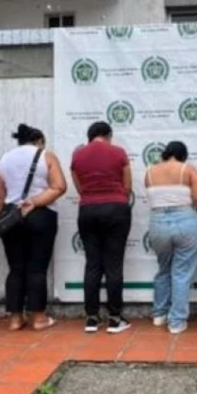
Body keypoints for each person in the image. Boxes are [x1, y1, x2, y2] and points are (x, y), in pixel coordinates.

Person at [0, 124, 66, 332]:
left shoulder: (3, 159)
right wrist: (34, 202)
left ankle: (15, 319)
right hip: (40, 215)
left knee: (16, 268)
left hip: (12, 217)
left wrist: (1, 219)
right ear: (39, 140)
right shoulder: (46, 156)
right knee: (37, 268)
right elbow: (59, 186)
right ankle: (39, 318)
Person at [70, 122, 132, 334]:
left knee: (92, 264)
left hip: (88, 209)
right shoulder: (118, 152)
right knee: (114, 265)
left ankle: (91, 318)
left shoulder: (78, 155)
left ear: (90, 136)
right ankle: (115, 318)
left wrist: (92, 196)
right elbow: (127, 186)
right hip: (116, 208)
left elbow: (79, 187)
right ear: (108, 135)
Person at [146, 141, 197, 335]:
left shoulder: (150, 172)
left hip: (158, 222)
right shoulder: (187, 170)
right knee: (181, 273)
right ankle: (177, 321)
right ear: (183, 155)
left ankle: (159, 314)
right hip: (185, 220)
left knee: (163, 269)